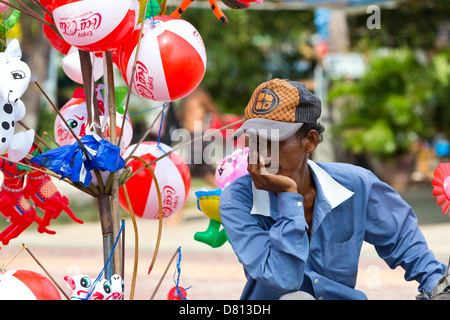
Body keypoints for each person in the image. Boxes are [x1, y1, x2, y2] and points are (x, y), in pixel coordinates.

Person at [219, 78, 448, 300]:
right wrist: (289, 197)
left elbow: (404, 240)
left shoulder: (357, 184)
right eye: (255, 139)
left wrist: (437, 287)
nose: (262, 153)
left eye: (274, 140)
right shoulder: (237, 200)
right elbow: (283, 279)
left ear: (310, 140)